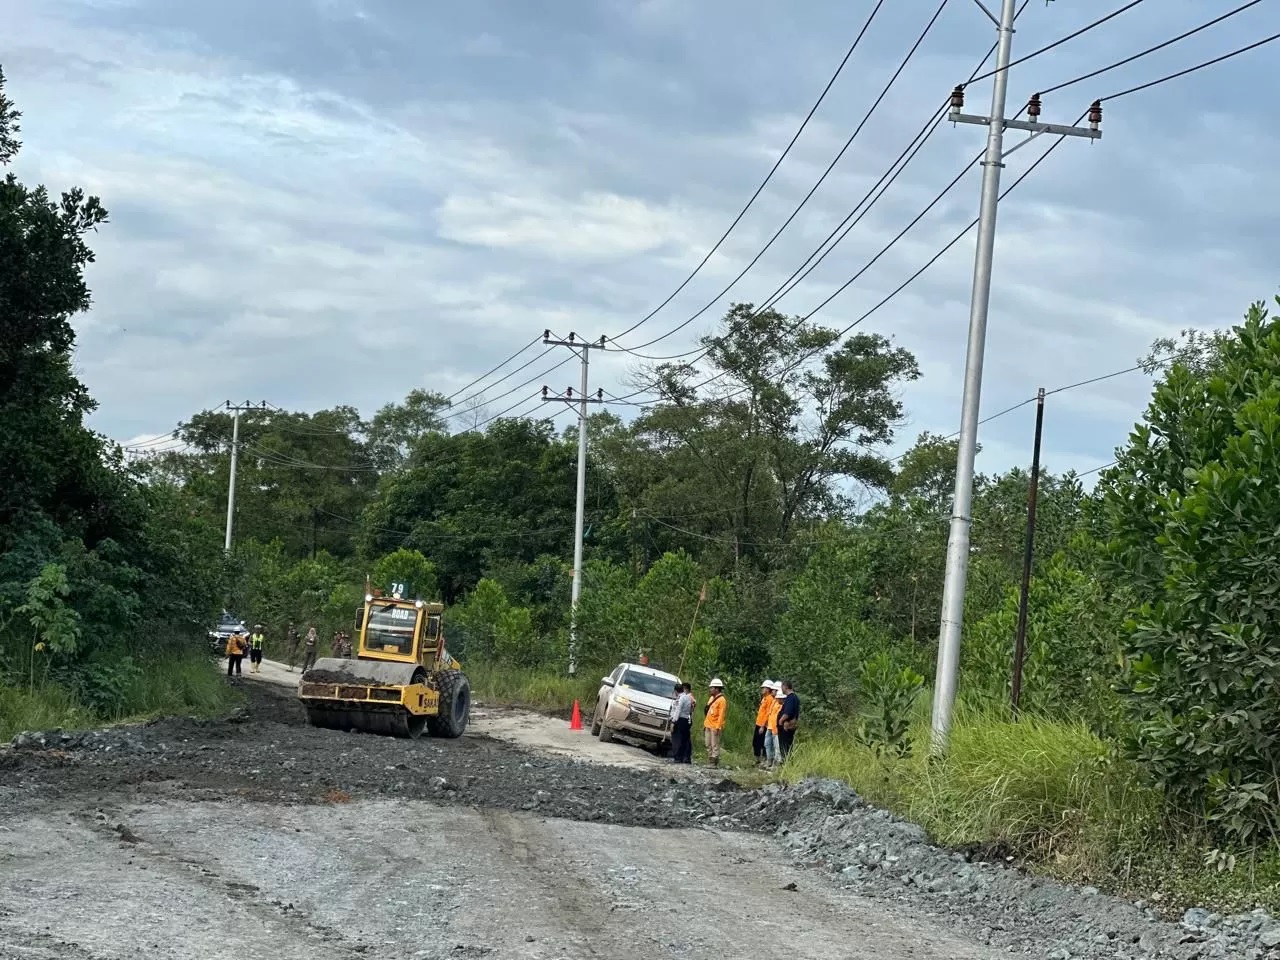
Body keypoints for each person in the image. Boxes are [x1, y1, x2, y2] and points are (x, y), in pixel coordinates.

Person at [702, 678, 727, 768]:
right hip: (708, 724)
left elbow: (721, 715)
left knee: (714, 744)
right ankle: (710, 760)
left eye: (712, 688)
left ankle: (714, 763)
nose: (710, 689)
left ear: (717, 689)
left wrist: (718, 727)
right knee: (708, 744)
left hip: (715, 726)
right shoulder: (712, 698)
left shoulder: (722, 700)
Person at [668, 682, 694, 764]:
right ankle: (684, 757)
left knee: (677, 739)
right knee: (684, 739)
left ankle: (678, 757)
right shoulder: (688, 697)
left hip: (680, 719)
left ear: (676, 691)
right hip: (686, 719)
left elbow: (678, 710)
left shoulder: (681, 698)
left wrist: (673, 722)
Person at [777, 679, 801, 761]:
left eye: (782, 687)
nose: (781, 689)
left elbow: (788, 712)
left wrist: (781, 720)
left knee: (785, 745)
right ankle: (787, 762)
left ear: (785, 687)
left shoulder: (791, 698)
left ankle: (786, 762)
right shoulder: (793, 698)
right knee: (787, 745)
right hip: (787, 725)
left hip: (786, 726)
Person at [752, 679, 774, 766]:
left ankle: (765, 759)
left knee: (763, 743)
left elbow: (768, 713)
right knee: (755, 742)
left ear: (768, 689)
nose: (762, 689)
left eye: (764, 687)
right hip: (758, 723)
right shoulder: (764, 699)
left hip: (763, 725)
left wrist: (763, 725)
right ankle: (758, 759)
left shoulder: (770, 699)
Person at [764, 682, 783, 769]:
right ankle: (769, 761)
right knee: (767, 744)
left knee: (777, 746)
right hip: (770, 726)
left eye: (774, 690)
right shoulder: (774, 701)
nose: (772, 692)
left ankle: (776, 764)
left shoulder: (781, 703)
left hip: (776, 728)